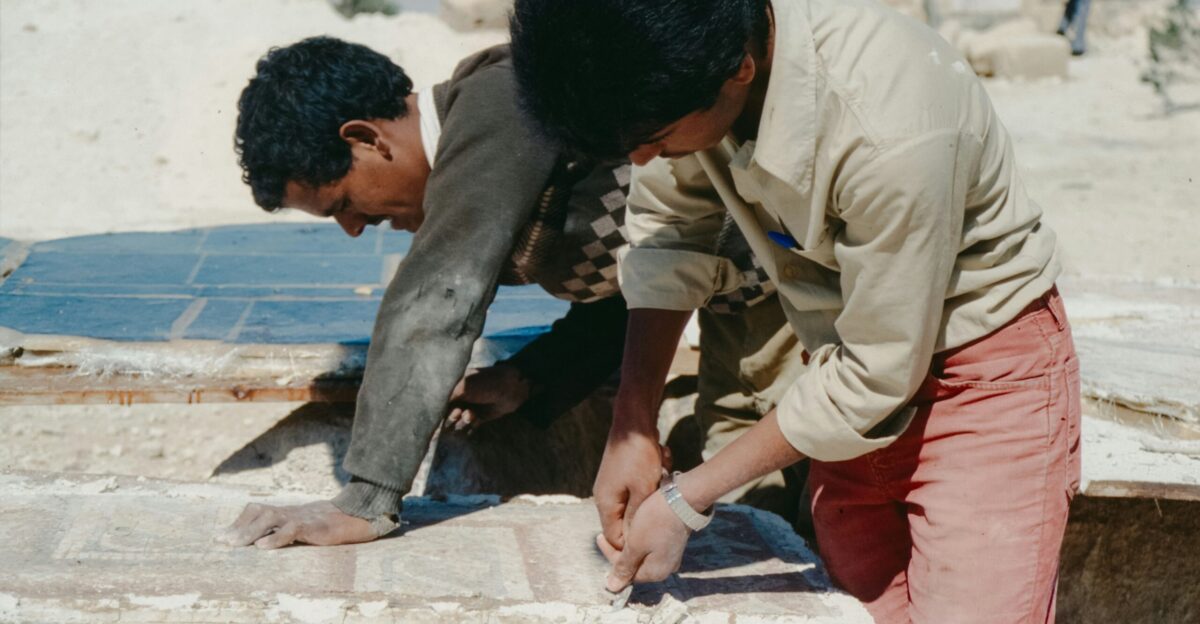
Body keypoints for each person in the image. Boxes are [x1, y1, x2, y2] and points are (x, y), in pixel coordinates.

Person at [509, 1, 1081, 622]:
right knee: (859, 612)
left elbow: (874, 372)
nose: (643, 159)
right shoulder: (692, 70)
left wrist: (686, 499)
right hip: (840, 387)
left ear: (739, 71)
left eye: (654, 138)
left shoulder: (888, 125)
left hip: (979, 386)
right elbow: (671, 231)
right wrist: (632, 426)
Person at [217, 37, 805, 549]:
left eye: (343, 203)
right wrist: (529, 377)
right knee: (750, 491)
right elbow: (634, 291)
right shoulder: (492, 157)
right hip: (737, 312)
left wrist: (366, 499)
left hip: (796, 291)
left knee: (800, 487)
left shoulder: (502, 99)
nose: (352, 228)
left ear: (367, 138)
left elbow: (437, 297)